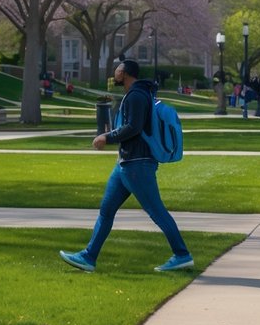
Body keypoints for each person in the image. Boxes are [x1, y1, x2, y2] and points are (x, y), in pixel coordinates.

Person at [60, 59, 193, 273]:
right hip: (126, 163)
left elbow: (133, 127)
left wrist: (107, 137)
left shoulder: (137, 95)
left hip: (137, 165)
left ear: (124, 72)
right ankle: (88, 257)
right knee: (106, 211)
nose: (115, 72)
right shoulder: (138, 94)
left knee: (156, 211)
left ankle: (182, 254)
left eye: (117, 69)